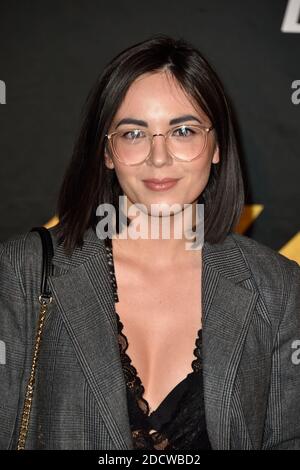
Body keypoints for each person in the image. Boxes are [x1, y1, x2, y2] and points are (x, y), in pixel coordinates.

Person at [0, 34, 300, 451]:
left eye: (182, 130)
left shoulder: (279, 288)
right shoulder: (22, 272)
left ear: (216, 147)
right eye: (134, 134)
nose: (159, 158)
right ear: (106, 152)